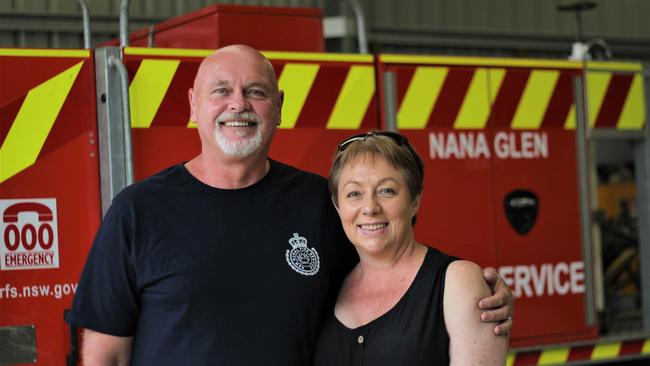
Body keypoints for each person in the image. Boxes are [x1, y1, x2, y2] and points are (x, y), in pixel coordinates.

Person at [68, 45, 513, 366]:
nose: (238, 103)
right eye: (221, 91)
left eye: (256, 92)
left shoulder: (319, 204)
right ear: (193, 106)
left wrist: (472, 295)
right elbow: (103, 352)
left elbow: (389, 277)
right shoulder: (138, 211)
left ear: (279, 107)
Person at [313, 131, 507, 365]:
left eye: (386, 191)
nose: (370, 207)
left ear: (414, 199)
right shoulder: (325, 284)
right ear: (337, 205)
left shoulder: (458, 281)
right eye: (354, 194)